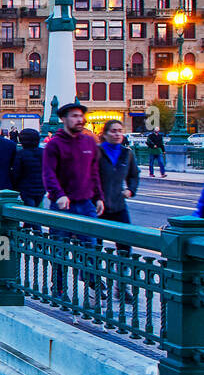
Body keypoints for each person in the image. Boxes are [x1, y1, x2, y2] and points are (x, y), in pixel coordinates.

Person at [42, 103, 105, 306]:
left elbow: (94, 173)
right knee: (60, 249)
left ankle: (93, 289)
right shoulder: (54, 144)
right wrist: (58, 194)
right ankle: (59, 289)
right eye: (75, 116)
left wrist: (98, 197)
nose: (80, 120)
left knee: (91, 248)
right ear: (64, 119)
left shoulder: (89, 142)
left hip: (85, 203)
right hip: (62, 205)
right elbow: (49, 173)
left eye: (81, 116)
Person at [97, 120, 140, 280]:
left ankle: (122, 282)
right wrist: (95, 198)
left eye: (119, 131)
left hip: (118, 206)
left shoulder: (126, 153)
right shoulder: (97, 152)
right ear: (105, 134)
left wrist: (130, 190)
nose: (117, 134)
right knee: (94, 245)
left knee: (124, 244)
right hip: (98, 206)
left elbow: (134, 175)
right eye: (113, 131)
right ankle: (94, 283)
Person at [10, 129, 46, 207]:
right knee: (37, 205)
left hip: (26, 188)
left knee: (29, 208)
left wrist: (14, 186)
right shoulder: (44, 152)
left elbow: (16, 172)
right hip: (41, 187)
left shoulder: (21, 154)